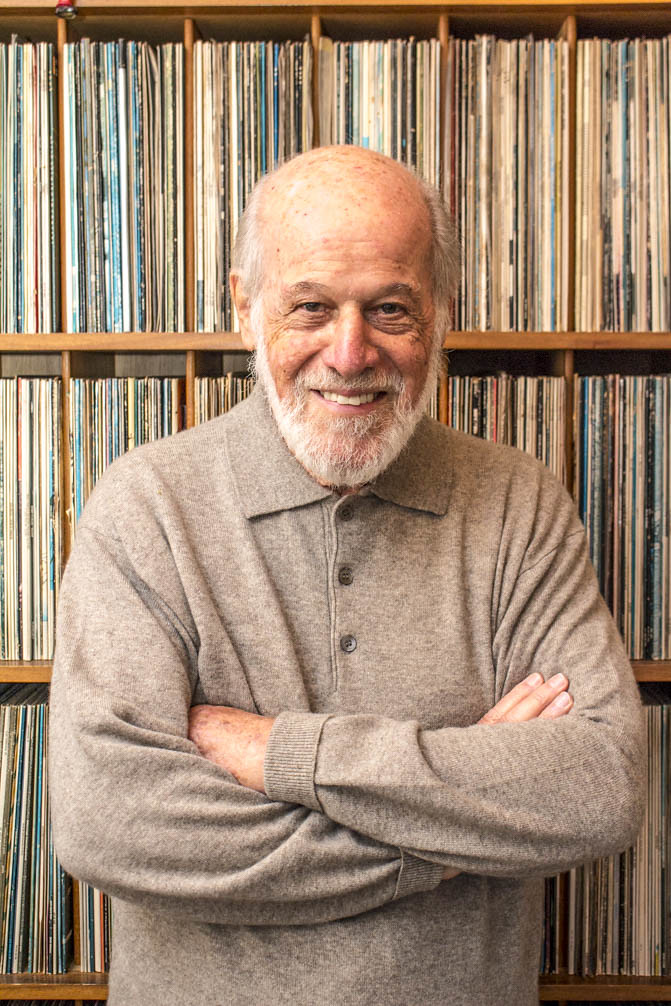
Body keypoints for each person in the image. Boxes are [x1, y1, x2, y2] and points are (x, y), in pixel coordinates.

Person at [49, 146, 646, 1006]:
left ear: (439, 315)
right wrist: (453, 835)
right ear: (245, 309)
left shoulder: (518, 503)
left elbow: (598, 788)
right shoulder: (145, 506)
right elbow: (111, 823)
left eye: (390, 308)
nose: (351, 351)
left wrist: (278, 753)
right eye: (311, 307)